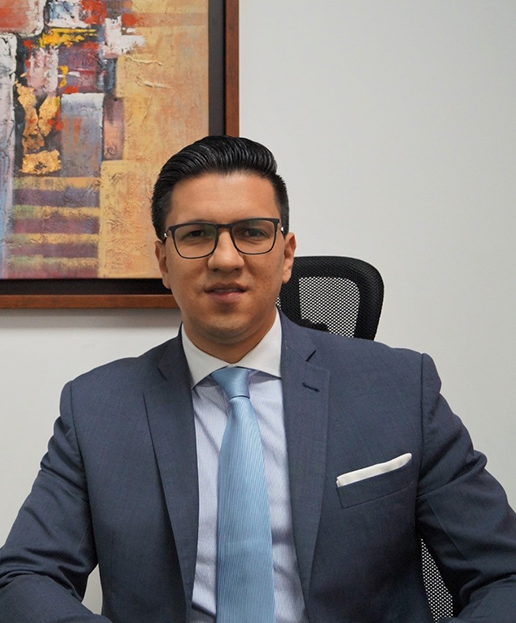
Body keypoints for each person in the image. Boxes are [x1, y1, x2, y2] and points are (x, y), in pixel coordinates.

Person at [0, 136, 515, 623]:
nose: (225, 259)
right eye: (196, 234)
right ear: (163, 261)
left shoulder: (399, 388)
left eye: (251, 232)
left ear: (286, 254)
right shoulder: (97, 409)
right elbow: (24, 578)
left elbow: (502, 574)